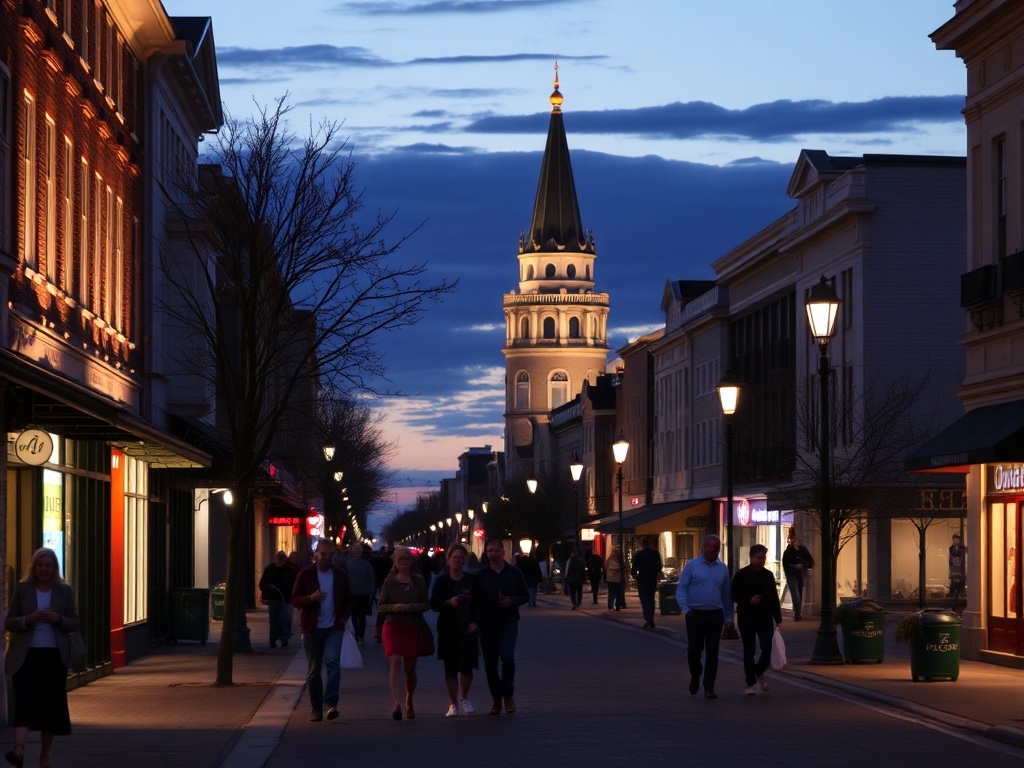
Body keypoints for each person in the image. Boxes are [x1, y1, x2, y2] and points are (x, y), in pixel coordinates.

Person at [5, 548, 79, 768]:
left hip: (54, 656)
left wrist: (57, 619)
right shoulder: (23, 589)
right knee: (24, 702)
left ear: (54, 568)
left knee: (50, 707)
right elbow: (9, 622)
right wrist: (28, 619)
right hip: (26, 656)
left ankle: (44, 755)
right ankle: (18, 750)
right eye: (40, 565)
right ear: (34, 567)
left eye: (48, 566)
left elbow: (74, 622)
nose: (43, 570)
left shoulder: (64, 591)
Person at [291, 539, 352, 722]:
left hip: (334, 627)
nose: (327, 557)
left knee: (333, 663)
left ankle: (331, 704)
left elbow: (349, 600)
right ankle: (316, 707)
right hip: (312, 627)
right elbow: (294, 599)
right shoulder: (306, 574)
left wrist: (341, 620)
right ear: (316, 553)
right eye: (323, 553)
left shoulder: (340, 574)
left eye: (331, 554)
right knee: (314, 670)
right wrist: (311, 598)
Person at [676, 534, 733, 700]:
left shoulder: (722, 568)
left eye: (717, 547)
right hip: (695, 613)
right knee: (694, 649)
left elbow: (726, 595)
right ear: (704, 547)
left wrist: (728, 617)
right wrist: (685, 608)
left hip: (715, 614)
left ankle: (709, 687)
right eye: (712, 547)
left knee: (713, 652)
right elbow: (682, 588)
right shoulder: (692, 566)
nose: (715, 550)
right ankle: (695, 673)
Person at [477, 538, 529, 715]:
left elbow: (525, 596)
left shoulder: (514, 573)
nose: (493, 554)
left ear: (503, 552)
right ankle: (496, 699)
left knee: (507, 657)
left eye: (496, 550)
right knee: (490, 664)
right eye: (490, 551)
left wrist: (512, 601)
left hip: (508, 622)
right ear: (486, 553)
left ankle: (508, 696)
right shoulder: (481, 575)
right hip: (487, 624)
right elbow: (476, 599)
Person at [377, 546, 430, 721]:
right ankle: (397, 704)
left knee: (410, 669)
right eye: (401, 560)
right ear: (395, 562)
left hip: (412, 626)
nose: (404, 563)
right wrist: (395, 607)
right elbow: (381, 606)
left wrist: (411, 607)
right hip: (392, 625)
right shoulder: (389, 582)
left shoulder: (419, 580)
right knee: (395, 662)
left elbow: (425, 604)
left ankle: (409, 699)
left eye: (407, 559)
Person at [429, 543, 481, 717]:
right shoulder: (442, 581)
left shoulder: (472, 580)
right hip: (448, 628)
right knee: (450, 668)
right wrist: (447, 603)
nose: (457, 560)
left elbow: (480, 604)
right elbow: (433, 604)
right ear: (449, 559)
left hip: (468, 628)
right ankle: (452, 704)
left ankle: (464, 697)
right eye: (454, 557)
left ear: (465, 560)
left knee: (467, 666)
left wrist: (476, 621)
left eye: (461, 557)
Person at [731, 544, 782, 696]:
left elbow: (774, 597)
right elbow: (733, 595)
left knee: (767, 647)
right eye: (759, 558)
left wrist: (778, 618)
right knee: (749, 649)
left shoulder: (768, 575)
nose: (762, 561)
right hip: (746, 617)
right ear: (751, 558)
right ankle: (750, 683)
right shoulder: (741, 575)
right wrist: (748, 600)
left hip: (764, 616)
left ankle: (758, 671)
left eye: (763, 558)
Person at [259, 551, 297, 648]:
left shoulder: (287, 570)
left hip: (284, 598)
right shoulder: (272, 569)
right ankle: (276, 639)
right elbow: (262, 584)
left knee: (282, 619)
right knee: (277, 619)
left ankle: (280, 639)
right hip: (275, 598)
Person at [344, 544, 377, 646]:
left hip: (362, 593)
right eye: (356, 551)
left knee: (360, 616)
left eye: (358, 551)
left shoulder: (358, 564)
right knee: (356, 615)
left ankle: (360, 635)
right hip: (354, 592)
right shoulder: (363, 564)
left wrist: (371, 593)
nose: (357, 553)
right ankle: (359, 635)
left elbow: (371, 580)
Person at [781, 533, 814, 621]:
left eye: (794, 539)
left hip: (800, 574)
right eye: (792, 539)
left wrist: (803, 565)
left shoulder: (802, 549)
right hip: (791, 574)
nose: (793, 541)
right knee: (795, 593)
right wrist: (795, 566)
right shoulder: (788, 551)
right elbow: (786, 564)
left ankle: (797, 611)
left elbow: (810, 561)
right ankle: (797, 612)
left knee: (798, 592)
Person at [631, 538, 663, 629]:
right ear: (650, 544)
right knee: (651, 599)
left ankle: (647, 618)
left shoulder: (639, 554)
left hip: (642, 579)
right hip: (652, 579)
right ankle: (651, 618)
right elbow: (659, 566)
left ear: (643, 545)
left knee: (644, 599)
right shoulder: (655, 554)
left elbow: (634, 567)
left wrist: (635, 576)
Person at [605, 546, 627, 611]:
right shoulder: (620, 560)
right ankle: (617, 605)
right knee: (618, 593)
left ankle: (610, 605)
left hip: (610, 579)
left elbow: (605, 567)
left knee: (611, 593)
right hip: (618, 579)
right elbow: (623, 568)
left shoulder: (609, 559)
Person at [948, 533, 967, 602]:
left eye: (958, 539)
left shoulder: (962, 548)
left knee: (960, 581)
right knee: (954, 581)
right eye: (955, 539)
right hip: (954, 567)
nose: (956, 540)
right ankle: (952, 594)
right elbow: (952, 556)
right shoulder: (951, 548)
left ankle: (960, 593)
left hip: (960, 568)